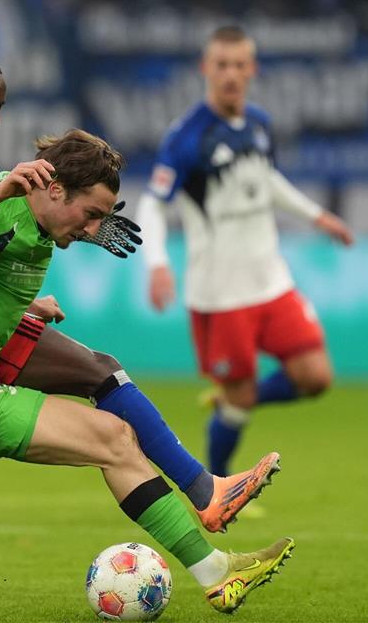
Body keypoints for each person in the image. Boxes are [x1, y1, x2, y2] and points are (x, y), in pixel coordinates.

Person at [0, 52, 281, 605]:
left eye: (2, 107)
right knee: (95, 374)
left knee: (67, 434)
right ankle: (206, 490)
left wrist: (48, 248)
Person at [136, 26, 355, 477]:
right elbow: (153, 204)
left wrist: (317, 215)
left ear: (252, 69)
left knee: (316, 377)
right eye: (222, 65)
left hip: (272, 281)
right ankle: (220, 484)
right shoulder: (187, 137)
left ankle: (234, 396)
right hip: (220, 294)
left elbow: (266, 179)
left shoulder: (258, 124)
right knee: (239, 403)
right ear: (206, 69)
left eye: (239, 64)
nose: (231, 74)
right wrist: (156, 263)